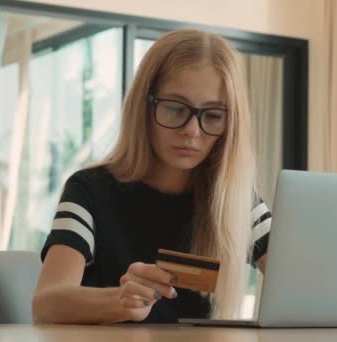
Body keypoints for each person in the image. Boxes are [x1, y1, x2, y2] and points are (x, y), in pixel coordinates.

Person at [32, 29, 272, 324]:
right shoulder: (88, 191)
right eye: (174, 109)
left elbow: (299, 287)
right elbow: (47, 302)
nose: (192, 131)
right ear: (144, 106)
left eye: (212, 115)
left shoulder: (235, 200)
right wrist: (119, 299)